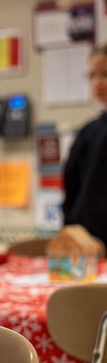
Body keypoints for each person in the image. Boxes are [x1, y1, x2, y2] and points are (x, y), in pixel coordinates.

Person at [62, 43, 107, 245]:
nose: (98, 84)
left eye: (105, 75)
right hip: (89, 245)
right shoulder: (88, 132)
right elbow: (71, 188)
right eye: (92, 76)